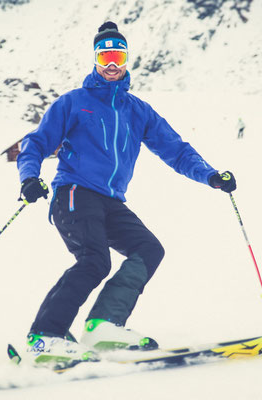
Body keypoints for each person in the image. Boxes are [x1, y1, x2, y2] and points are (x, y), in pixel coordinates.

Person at [16, 21, 236, 367]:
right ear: (95, 60)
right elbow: (37, 141)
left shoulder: (137, 110)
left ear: (127, 59)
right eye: (105, 55)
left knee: (149, 249)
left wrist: (210, 176)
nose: (112, 63)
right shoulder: (74, 102)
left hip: (111, 200)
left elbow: (175, 149)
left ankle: (104, 324)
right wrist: (29, 177)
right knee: (94, 260)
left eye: (118, 55)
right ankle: (45, 336)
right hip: (74, 191)